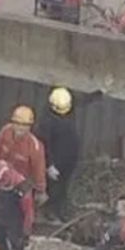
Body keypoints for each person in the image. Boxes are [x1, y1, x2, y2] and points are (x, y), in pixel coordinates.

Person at [0, 105, 48, 200]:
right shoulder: (6, 131)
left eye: (25, 125)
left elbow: (39, 170)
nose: (20, 128)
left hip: (19, 185)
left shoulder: (35, 147)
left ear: (30, 126)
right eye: (17, 123)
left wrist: (40, 191)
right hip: (0, 174)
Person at [35, 87, 81, 221]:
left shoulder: (68, 108)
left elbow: (81, 100)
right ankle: (49, 211)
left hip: (69, 159)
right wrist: (49, 165)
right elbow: (44, 144)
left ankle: (60, 210)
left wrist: (98, 93)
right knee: (53, 188)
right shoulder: (47, 122)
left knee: (63, 187)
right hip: (56, 161)